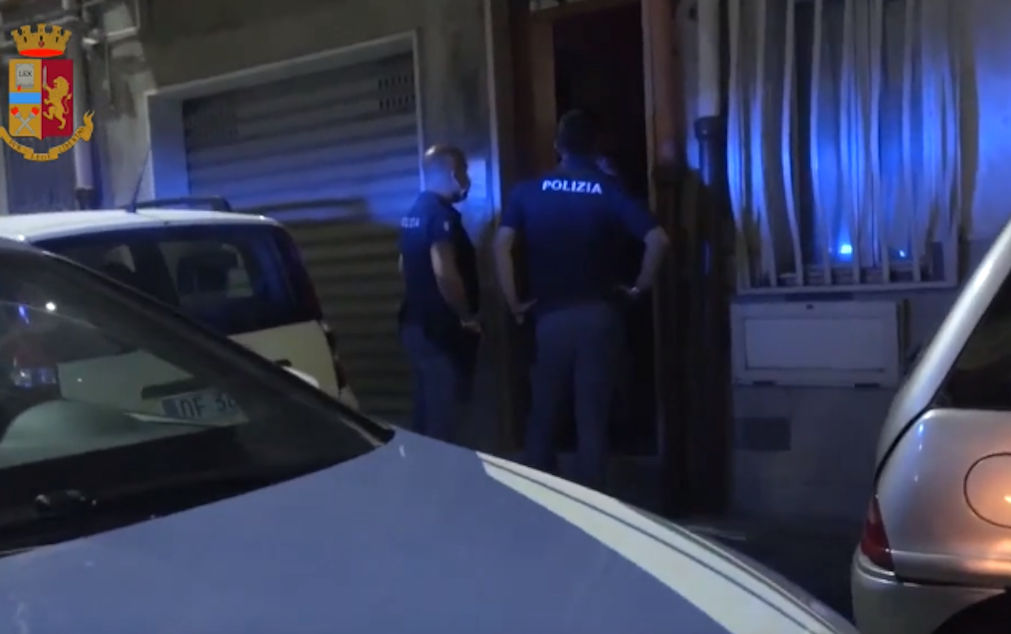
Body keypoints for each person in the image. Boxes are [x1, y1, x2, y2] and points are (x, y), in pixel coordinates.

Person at [493, 110, 670, 490]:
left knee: (543, 414)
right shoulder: (610, 189)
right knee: (592, 418)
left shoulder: (526, 191)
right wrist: (639, 287)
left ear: (558, 146)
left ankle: (535, 500)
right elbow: (658, 239)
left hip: (549, 317)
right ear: (595, 149)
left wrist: (514, 301)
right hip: (599, 315)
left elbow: (501, 244)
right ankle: (593, 502)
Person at [398, 144, 481, 443]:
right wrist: (466, 316)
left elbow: (403, 267)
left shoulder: (413, 213)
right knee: (443, 420)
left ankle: (420, 469)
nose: (467, 178)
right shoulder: (440, 216)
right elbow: (444, 271)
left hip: (416, 326)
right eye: (464, 170)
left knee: (425, 411)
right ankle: (441, 473)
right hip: (440, 331)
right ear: (452, 172)